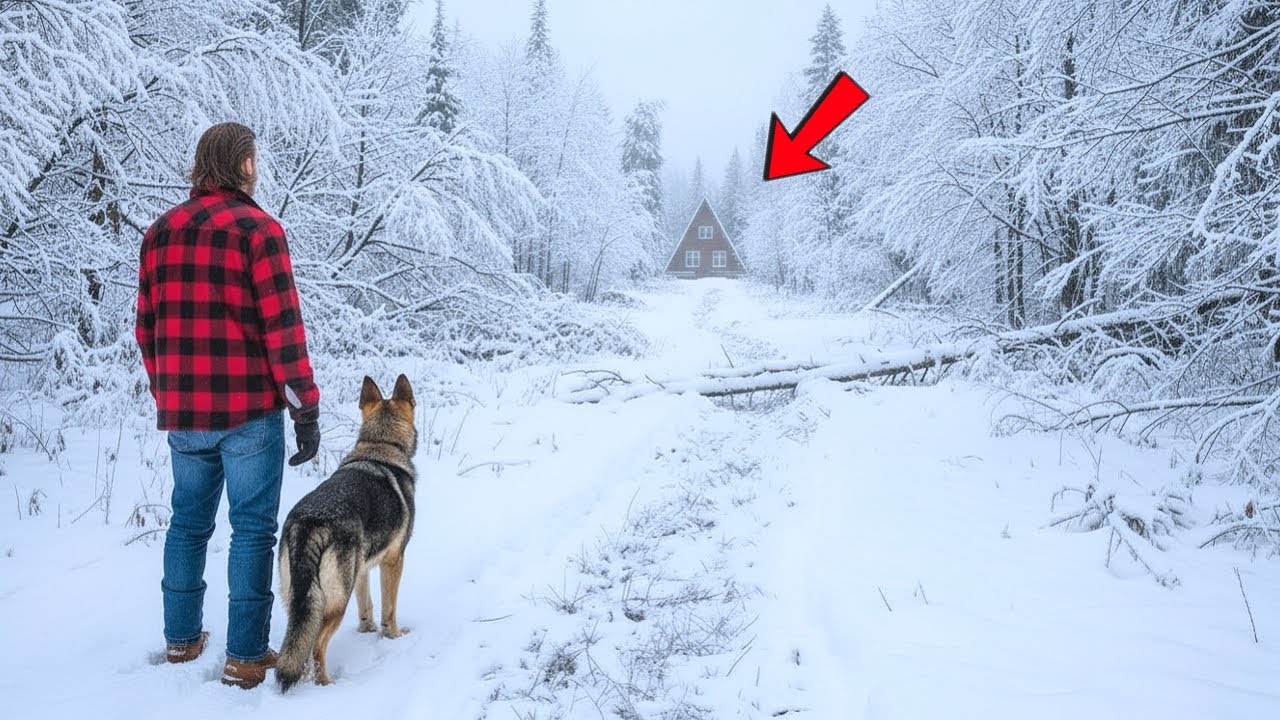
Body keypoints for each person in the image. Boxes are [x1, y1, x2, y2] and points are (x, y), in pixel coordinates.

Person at [135, 122, 322, 689]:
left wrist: (167, 392)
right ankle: (245, 655)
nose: (256, 168)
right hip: (248, 413)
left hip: (184, 412)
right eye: (253, 159)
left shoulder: (159, 233)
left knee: (187, 524)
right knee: (252, 531)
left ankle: (181, 641)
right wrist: (304, 408)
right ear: (243, 165)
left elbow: (146, 328)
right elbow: (283, 331)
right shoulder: (259, 231)